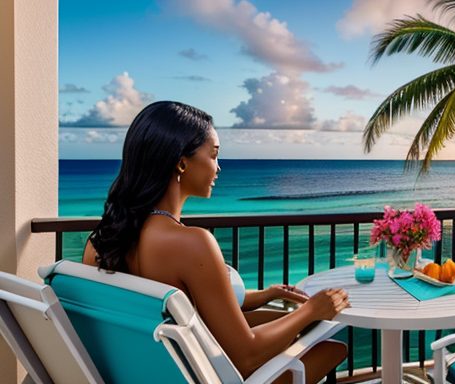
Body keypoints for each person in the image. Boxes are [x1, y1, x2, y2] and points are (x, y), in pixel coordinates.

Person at [82, 101, 349, 382]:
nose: (219, 168)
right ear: (182, 162)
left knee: (296, 329)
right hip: (202, 375)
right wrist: (312, 309)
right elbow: (245, 357)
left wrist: (265, 295)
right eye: (214, 155)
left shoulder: (100, 244)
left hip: (149, 372)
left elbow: (189, 308)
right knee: (330, 349)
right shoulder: (192, 243)